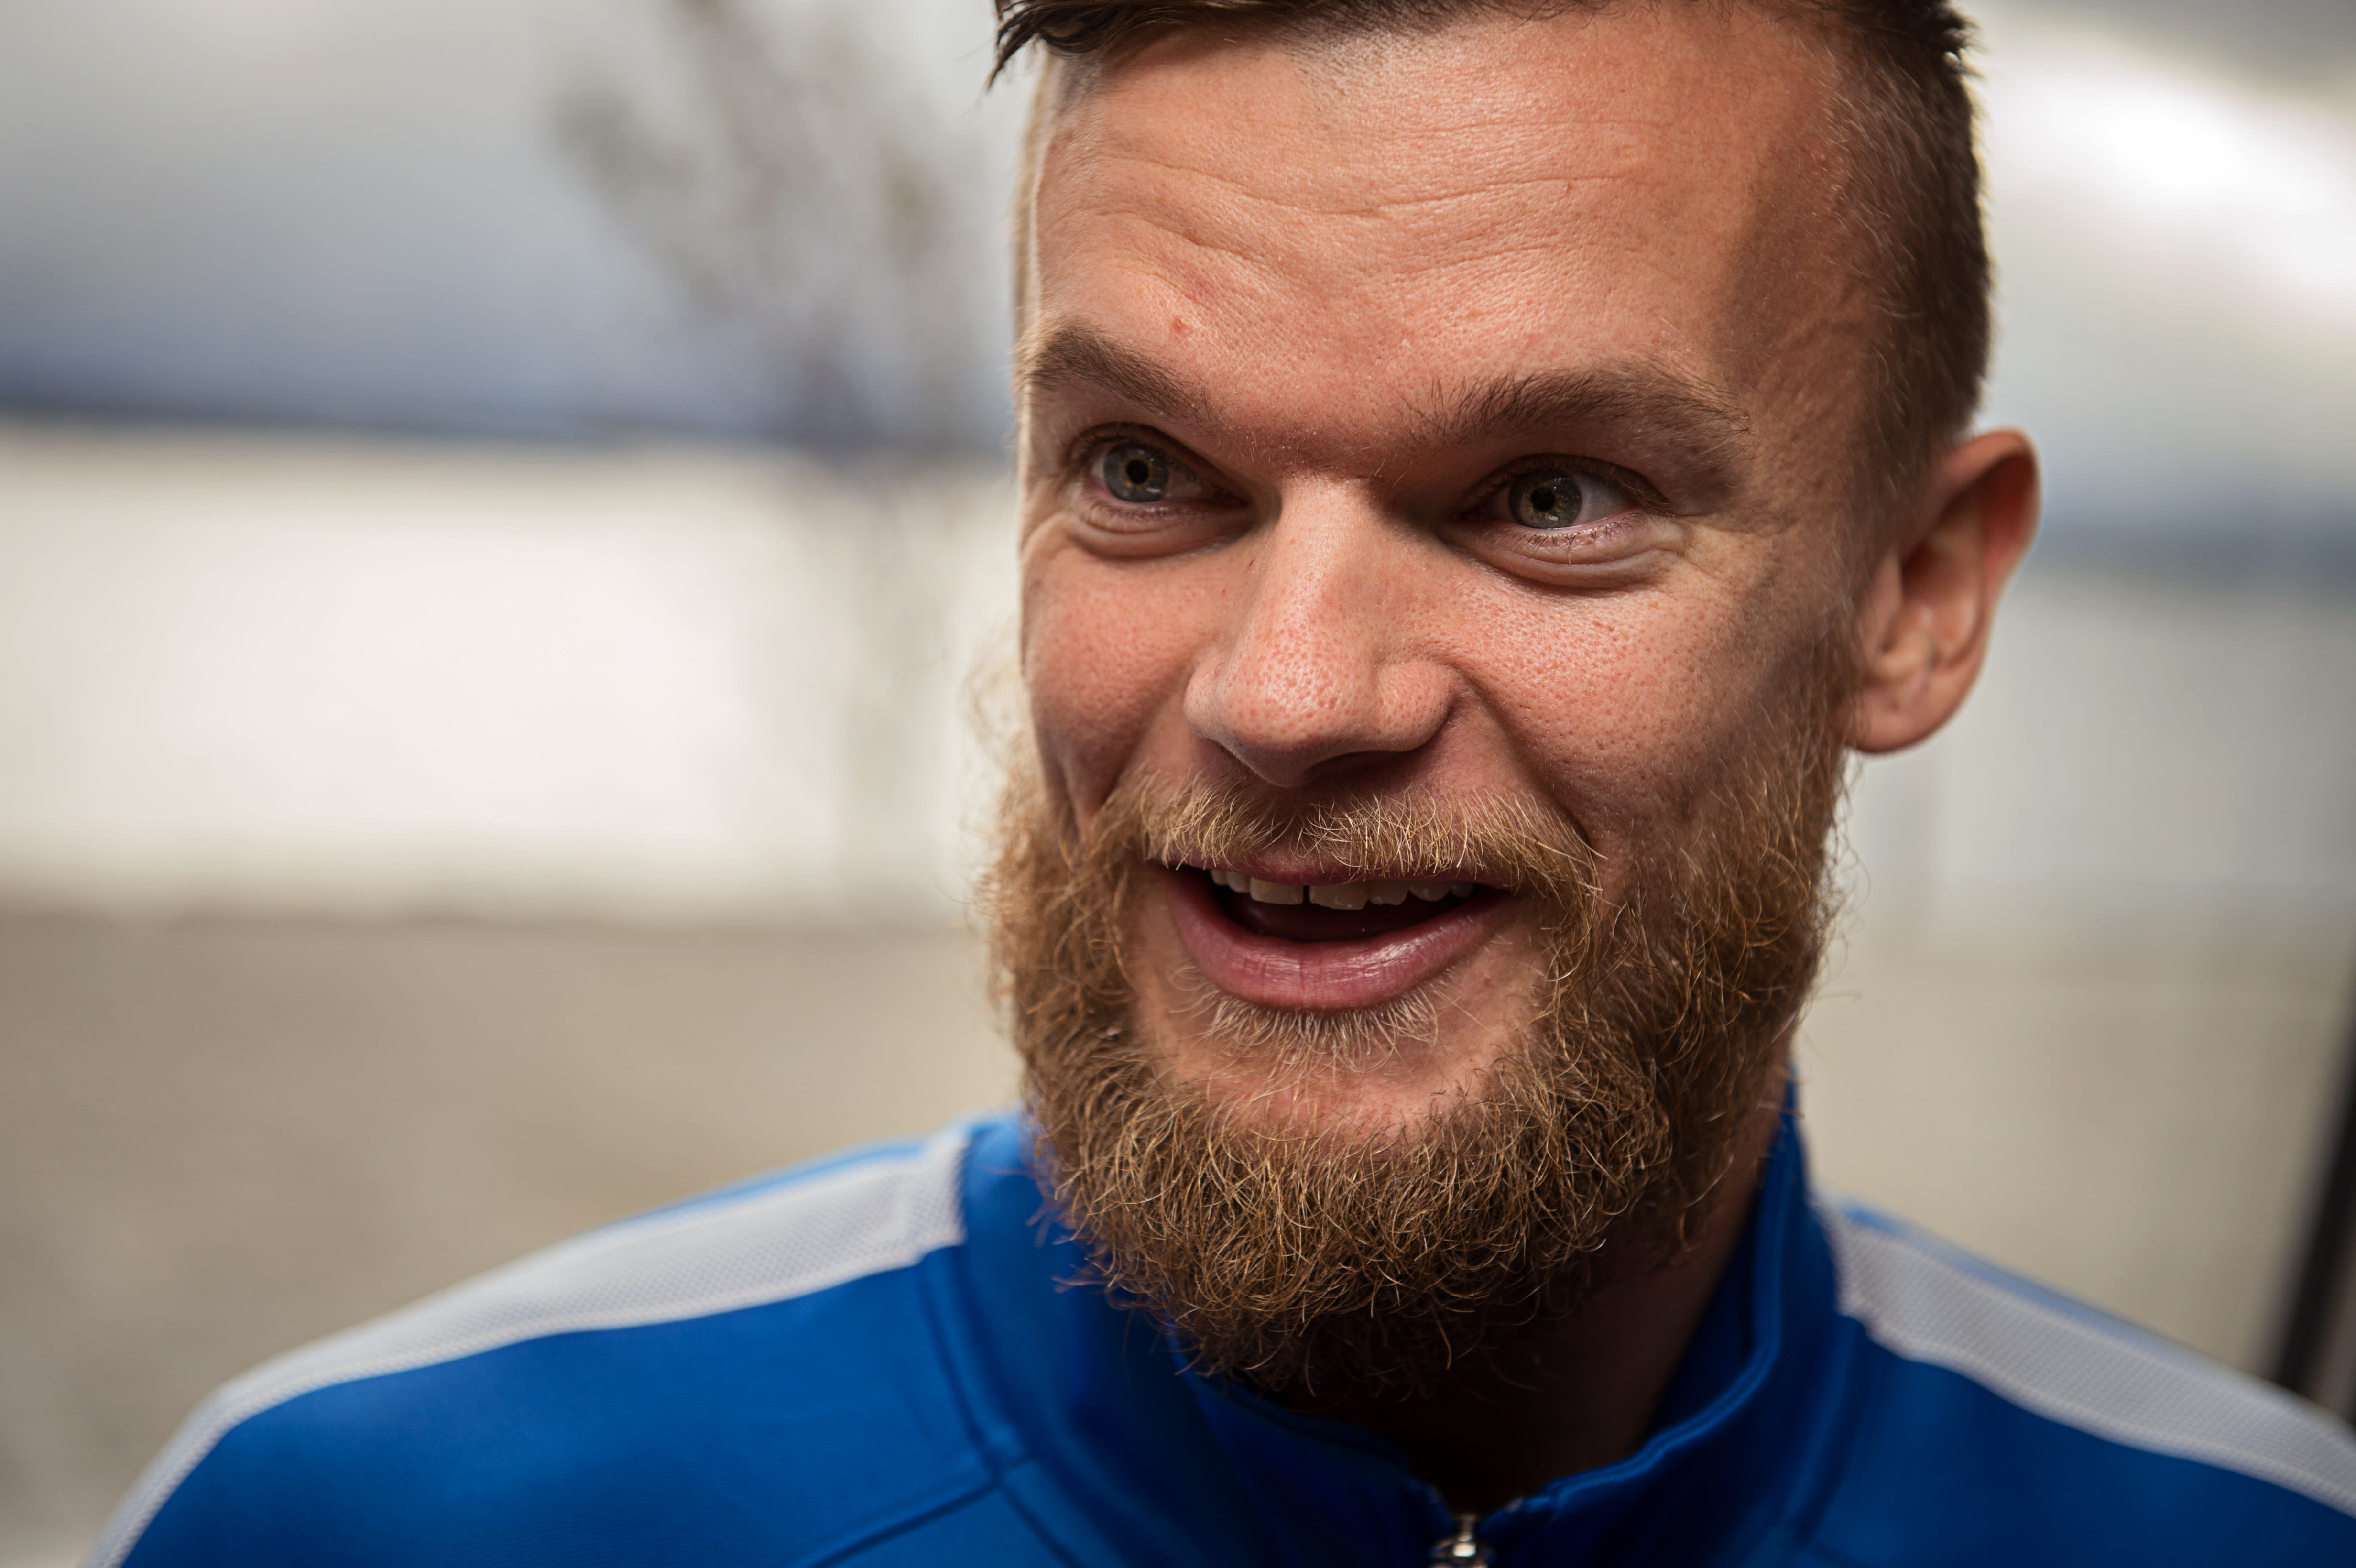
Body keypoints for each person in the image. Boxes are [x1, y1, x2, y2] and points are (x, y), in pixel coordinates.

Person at [87, 2, 2356, 1564]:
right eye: (1146, 469)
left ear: (1913, 596)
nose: (1283, 695)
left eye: (1547, 494)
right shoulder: (372, 1524)